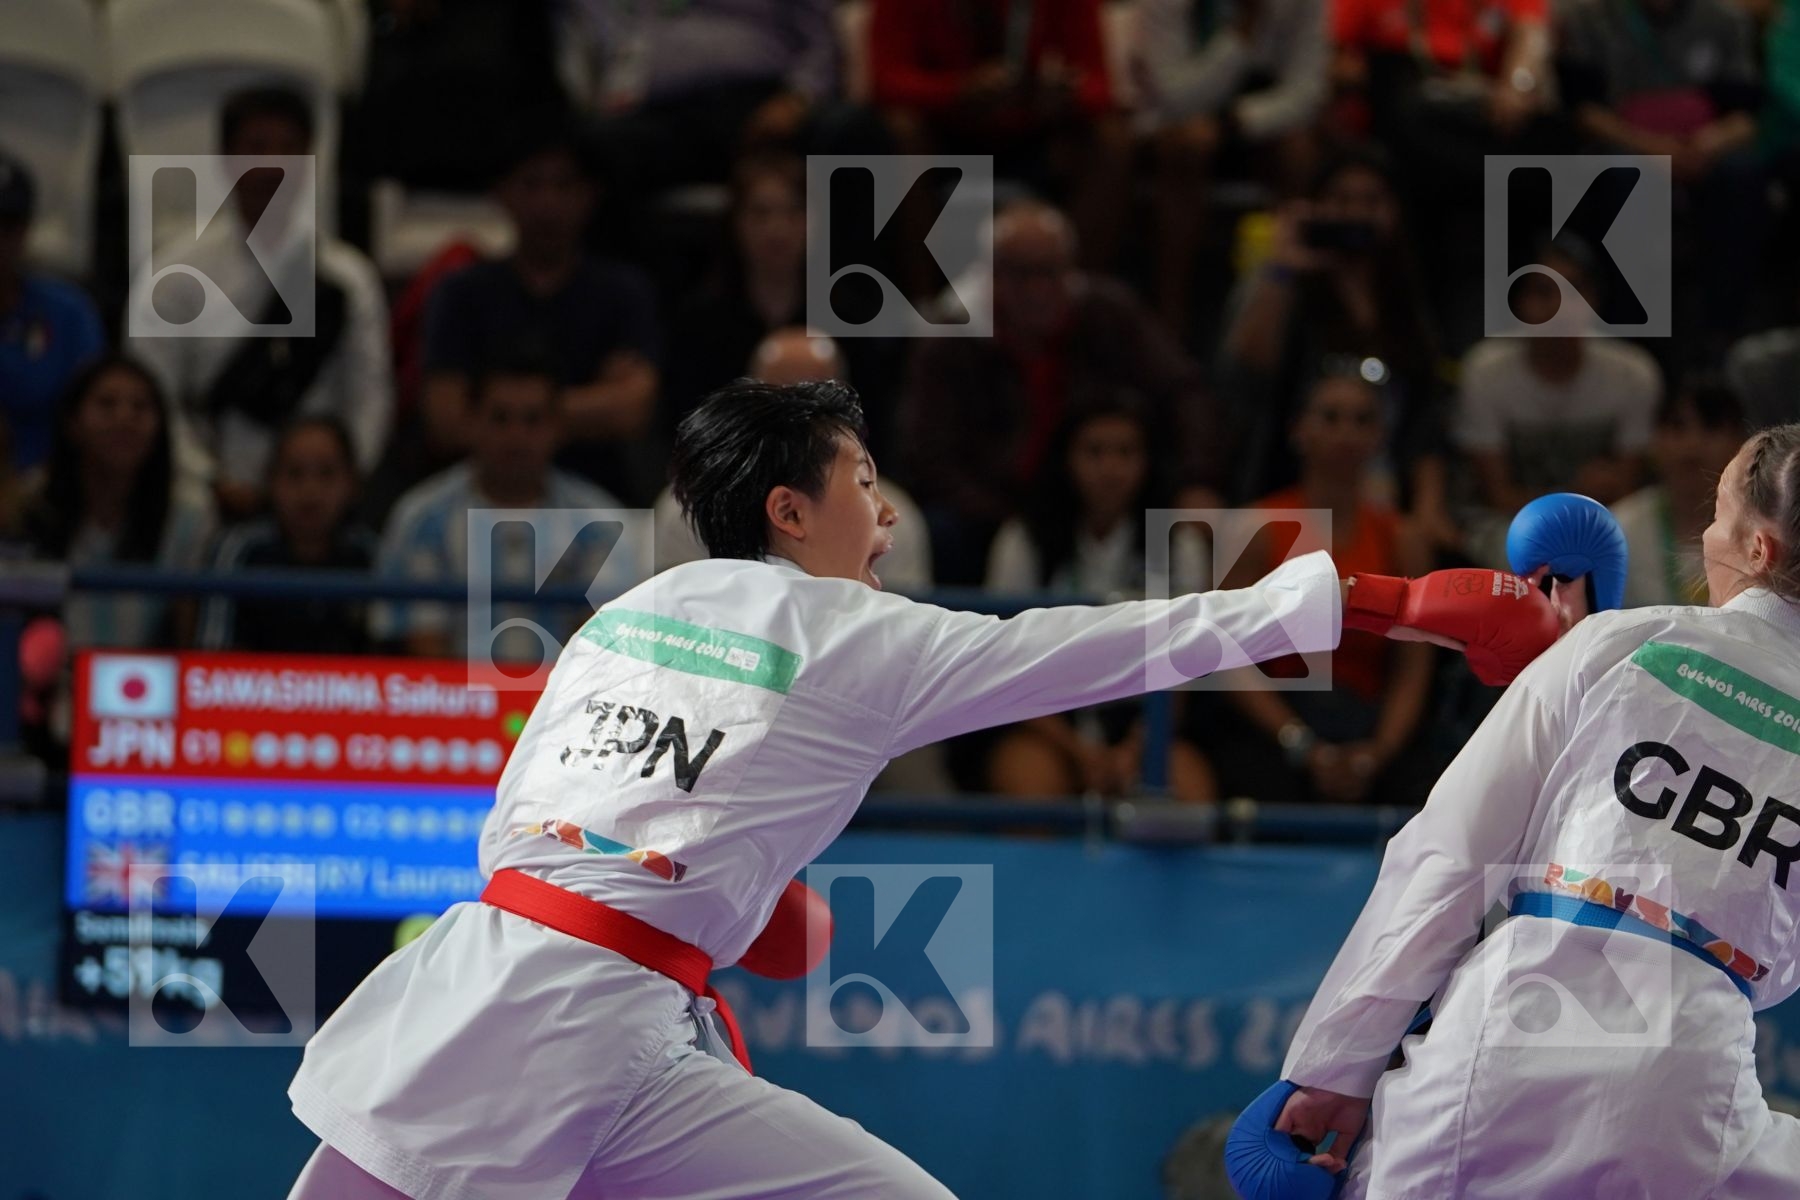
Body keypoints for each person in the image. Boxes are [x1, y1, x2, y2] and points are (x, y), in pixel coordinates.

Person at [285, 378, 1556, 1200]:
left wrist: (728, 904)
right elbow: (1129, 640)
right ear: (791, 511)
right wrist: (1394, 599)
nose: (886, 519)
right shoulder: (860, 636)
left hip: (537, 1003)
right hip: (565, 1020)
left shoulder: (627, 612)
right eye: (863, 486)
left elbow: (533, 824)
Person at [1273, 423, 1800, 1197]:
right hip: (1691, 1081)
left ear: (1759, 549)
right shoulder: (1617, 640)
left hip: (1514, 1030)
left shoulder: (1626, 642)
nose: (1705, 539)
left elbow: (1449, 858)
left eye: (1717, 517)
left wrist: (1334, 1069)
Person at [904, 199, 1224, 584]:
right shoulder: (952, 339)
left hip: (1103, 498)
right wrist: (1012, 515)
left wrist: (1196, 480)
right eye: (1021, 274)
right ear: (991, 275)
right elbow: (931, 455)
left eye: (1050, 272)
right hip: (992, 507)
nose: (1038, 289)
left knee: (1176, 527)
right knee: (944, 530)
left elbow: (1185, 392)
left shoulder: (1109, 315)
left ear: (1071, 270)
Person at [127, 87, 393, 521]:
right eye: (256, 147)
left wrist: (339, 480)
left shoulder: (349, 278)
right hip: (205, 495)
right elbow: (154, 397)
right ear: (225, 158)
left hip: (320, 499)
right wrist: (209, 479)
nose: (273, 164)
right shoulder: (173, 273)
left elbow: (369, 398)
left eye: (289, 149)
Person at [1217, 369, 1435, 805]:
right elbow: (1226, 655)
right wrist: (1298, 741)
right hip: (1277, 724)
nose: (1346, 433)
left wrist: (1378, 752)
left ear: (1379, 437)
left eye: (1362, 420)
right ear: (1298, 430)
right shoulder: (1256, 528)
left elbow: (1413, 666)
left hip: (1368, 723)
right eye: (1331, 417)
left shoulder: (1403, 539)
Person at [984, 392, 1216, 802]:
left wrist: (1132, 752)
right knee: (1030, 788)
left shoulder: (1179, 544)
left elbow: (1185, 668)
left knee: (1190, 795)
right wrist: (1080, 752)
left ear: (1148, 461)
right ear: (1066, 459)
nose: (1110, 469)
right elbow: (1002, 663)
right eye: (1094, 452)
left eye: (1125, 453)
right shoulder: (1023, 540)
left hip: (1145, 717)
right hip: (1047, 718)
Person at [1218, 149, 1450, 545]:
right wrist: (1282, 266)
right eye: (1341, 200)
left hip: (1388, 500)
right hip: (1293, 489)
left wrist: (1429, 508)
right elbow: (1246, 370)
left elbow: (1426, 418)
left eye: (1371, 201)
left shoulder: (1409, 298)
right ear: (1315, 208)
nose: (1356, 213)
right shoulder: (1283, 286)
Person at [420, 127, 661, 503]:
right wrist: (589, 404)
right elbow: (445, 420)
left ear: (590, 195)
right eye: (531, 184)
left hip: (599, 501)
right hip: (477, 503)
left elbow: (632, 410)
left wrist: (497, 414)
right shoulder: (462, 293)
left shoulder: (623, 292)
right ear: (502, 192)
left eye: (564, 186)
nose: (548, 203)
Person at [371, 357, 640, 663]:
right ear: (471, 422)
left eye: (532, 420)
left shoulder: (601, 525)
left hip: (565, 691)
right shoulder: (422, 519)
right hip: (450, 692)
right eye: (500, 419)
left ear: (557, 427)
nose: (516, 436)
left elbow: (600, 649)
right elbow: (420, 644)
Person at [653, 327, 933, 594]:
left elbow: (901, 613)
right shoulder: (685, 509)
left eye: (813, 394)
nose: (797, 413)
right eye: (780, 392)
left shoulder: (895, 518)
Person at [870, 0, 1133, 277]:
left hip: (1036, 135)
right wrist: (959, 90)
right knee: (902, 128)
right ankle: (920, 292)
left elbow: (1101, 87)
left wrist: (1066, 95)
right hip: (943, 137)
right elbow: (885, 82)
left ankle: (1075, 286)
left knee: (1112, 137)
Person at [1453, 238, 1661, 562]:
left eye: (1574, 291)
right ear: (1519, 302)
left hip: (1604, 519)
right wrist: (1577, 491)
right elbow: (1497, 496)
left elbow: (1626, 489)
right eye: (1542, 291)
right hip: (1507, 523)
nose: (1559, 306)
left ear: (1594, 299)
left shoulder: (1633, 373)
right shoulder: (1486, 372)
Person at [1135, 0, 1329, 332]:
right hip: (1181, 124)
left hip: (1256, 122)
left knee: (1301, 152)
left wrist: (1235, 122)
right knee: (1186, 147)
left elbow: (1308, 93)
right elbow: (1175, 98)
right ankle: (1169, 317)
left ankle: (1294, 312)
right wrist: (1242, 32)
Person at [24, 355, 216, 649]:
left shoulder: (190, 515)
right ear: (73, 422)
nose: (124, 419)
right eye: (106, 404)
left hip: (149, 673)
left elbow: (189, 634)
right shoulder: (29, 505)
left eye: (140, 407)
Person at [199, 415, 377, 654]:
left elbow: (384, 659)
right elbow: (212, 656)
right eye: (294, 473)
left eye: (327, 473)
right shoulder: (239, 549)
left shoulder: (370, 553)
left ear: (353, 483)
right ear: (270, 481)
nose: (310, 490)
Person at [0, 148, 104, 480]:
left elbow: (94, 411)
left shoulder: (68, 311)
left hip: (54, 485)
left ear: (25, 230)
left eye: (7, 226)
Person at [1612, 378, 1747, 609]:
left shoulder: (1767, 530)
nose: (1692, 446)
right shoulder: (1619, 531)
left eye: (1711, 428)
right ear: (1653, 440)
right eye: (1677, 427)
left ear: (1741, 443)